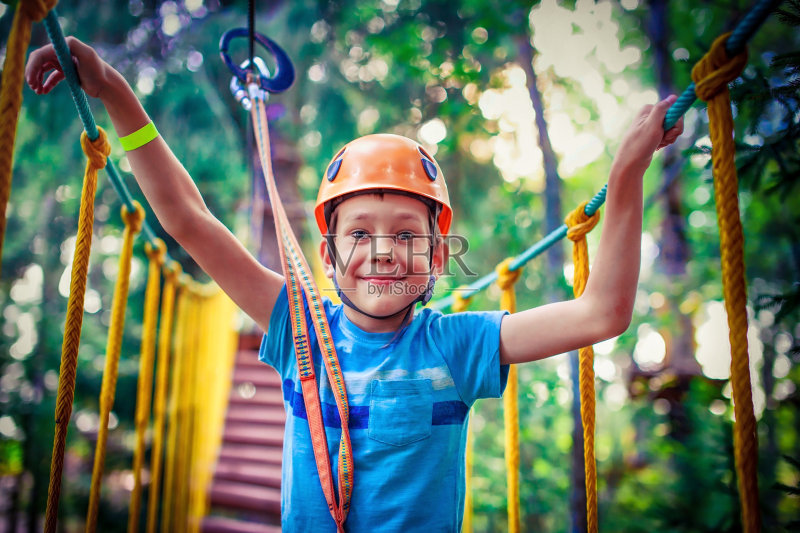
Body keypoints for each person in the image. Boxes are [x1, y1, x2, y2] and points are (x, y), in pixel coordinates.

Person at [26, 37, 683, 532]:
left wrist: (626, 173)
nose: (383, 252)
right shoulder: (298, 329)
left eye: (406, 234)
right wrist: (113, 89)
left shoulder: (457, 346)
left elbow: (602, 313)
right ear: (328, 251)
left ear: (436, 251)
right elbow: (188, 221)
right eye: (360, 232)